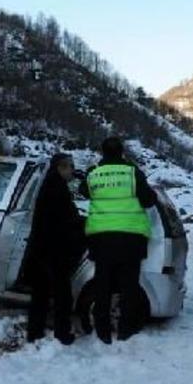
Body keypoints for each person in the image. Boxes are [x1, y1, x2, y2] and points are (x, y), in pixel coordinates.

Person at [80, 137, 157, 344]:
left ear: (102, 152)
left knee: (102, 284)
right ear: (122, 152)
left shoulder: (93, 173)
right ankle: (125, 329)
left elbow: (82, 191)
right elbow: (149, 200)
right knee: (129, 285)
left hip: (101, 237)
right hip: (131, 238)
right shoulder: (133, 173)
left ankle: (103, 331)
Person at [25, 153, 85, 345]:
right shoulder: (57, 189)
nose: (72, 170)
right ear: (60, 168)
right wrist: (83, 225)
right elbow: (66, 220)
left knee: (40, 293)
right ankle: (62, 333)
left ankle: (34, 332)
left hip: (41, 249)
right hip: (55, 251)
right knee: (62, 294)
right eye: (69, 167)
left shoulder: (50, 185)